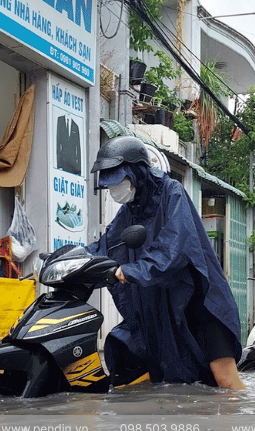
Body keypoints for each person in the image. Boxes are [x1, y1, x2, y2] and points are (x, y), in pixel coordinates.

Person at [86, 136, 244, 390]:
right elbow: (106, 246)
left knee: (225, 380)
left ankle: (237, 426)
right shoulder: (130, 211)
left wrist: (132, 270)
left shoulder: (172, 193)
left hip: (199, 301)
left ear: (136, 172)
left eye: (119, 180)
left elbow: (174, 246)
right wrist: (69, 260)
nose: (115, 189)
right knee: (168, 384)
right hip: (164, 308)